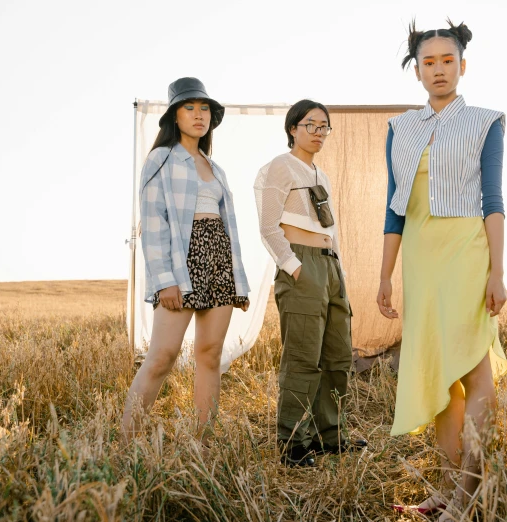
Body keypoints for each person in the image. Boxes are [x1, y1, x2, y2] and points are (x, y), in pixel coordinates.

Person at [376, 21, 507, 519]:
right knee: (439, 375)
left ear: (463, 65)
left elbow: (493, 201)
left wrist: (497, 271)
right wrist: (385, 275)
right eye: (428, 62)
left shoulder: (486, 120)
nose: (438, 69)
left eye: (447, 60)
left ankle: (467, 497)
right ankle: (446, 488)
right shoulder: (400, 127)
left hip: (465, 251)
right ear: (416, 70)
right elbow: (394, 209)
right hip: (419, 257)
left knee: (473, 369)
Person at [122, 77, 250, 439]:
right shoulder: (161, 159)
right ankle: (124, 441)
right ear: (174, 117)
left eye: (204, 108)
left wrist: (236, 281)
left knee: (209, 356)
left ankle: (201, 445)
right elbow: (153, 221)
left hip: (219, 259)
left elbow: (231, 230)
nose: (198, 115)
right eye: (189, 108)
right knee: (162, 356)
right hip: (182, 260)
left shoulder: (216, 168)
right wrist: (164, 279)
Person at [254, 99, 367, 467]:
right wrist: (293, 266)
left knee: (336, 355)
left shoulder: (322, 175)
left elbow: (329, 228)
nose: (318, 132)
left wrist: (339, 272)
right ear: (292, 129)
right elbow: (269, 227)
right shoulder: (279, 167)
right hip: (302, 265)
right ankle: (293, 444)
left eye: (324, 127)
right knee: (302, 358)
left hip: (330, 267)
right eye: (311, 125)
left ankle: (329, 436)